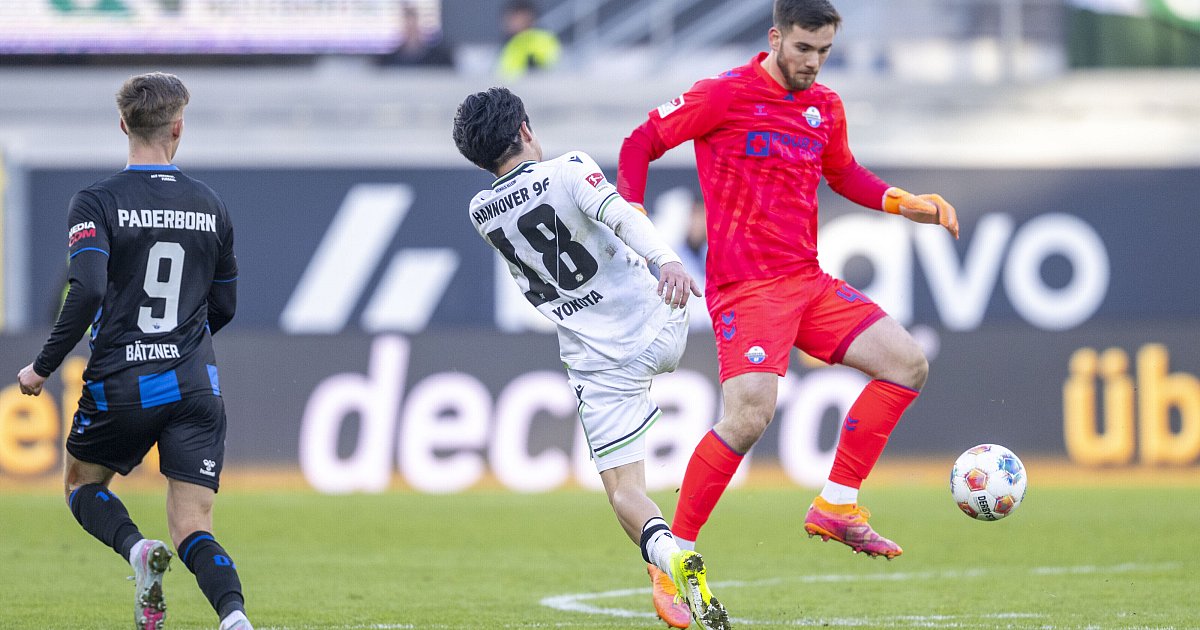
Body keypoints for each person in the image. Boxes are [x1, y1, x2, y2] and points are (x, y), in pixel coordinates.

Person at [617, 0, 960, 610]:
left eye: (825, 52)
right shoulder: (721, 95)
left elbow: (844, 172)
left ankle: (836, 503)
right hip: (745, 289)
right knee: (750, 415)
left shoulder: (823, 106)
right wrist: (636, 216)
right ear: (776, 37)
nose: (813, 63)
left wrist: (901, 201)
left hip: (807, 281)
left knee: (907, 363)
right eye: (804, 49)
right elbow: (639, 142)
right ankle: (674, 559)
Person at [453, 86, 729, 630]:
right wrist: (668, 260)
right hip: (661, 320)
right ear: (526, 130)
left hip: (597, 362)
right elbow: (622, 216)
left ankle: (667, 555)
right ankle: (669, 557)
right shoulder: (569, 168)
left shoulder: (480, 211)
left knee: (626, 492)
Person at [15, 72, 252, 630]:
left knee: (80, 483)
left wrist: (42, 366)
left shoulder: (96, 201)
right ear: (178, 128)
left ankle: (136, 551)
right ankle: (235, 616)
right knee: (194, 523)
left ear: (123, 125)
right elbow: (226, 307)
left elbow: (89, 289)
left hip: (123, 379)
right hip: (196, 384)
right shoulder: (210, 205)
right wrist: (183, 343)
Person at [497, 0, 561, 79]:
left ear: (529, 19)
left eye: (517, 19)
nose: (512, 23)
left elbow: (551, 66)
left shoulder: (543, 39)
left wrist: (533, 65)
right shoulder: (509, 43)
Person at [377, 3, 454, 68]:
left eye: (414, 27)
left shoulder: (440, 59)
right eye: (408, 27)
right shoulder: (387, 61)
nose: (411, 32)